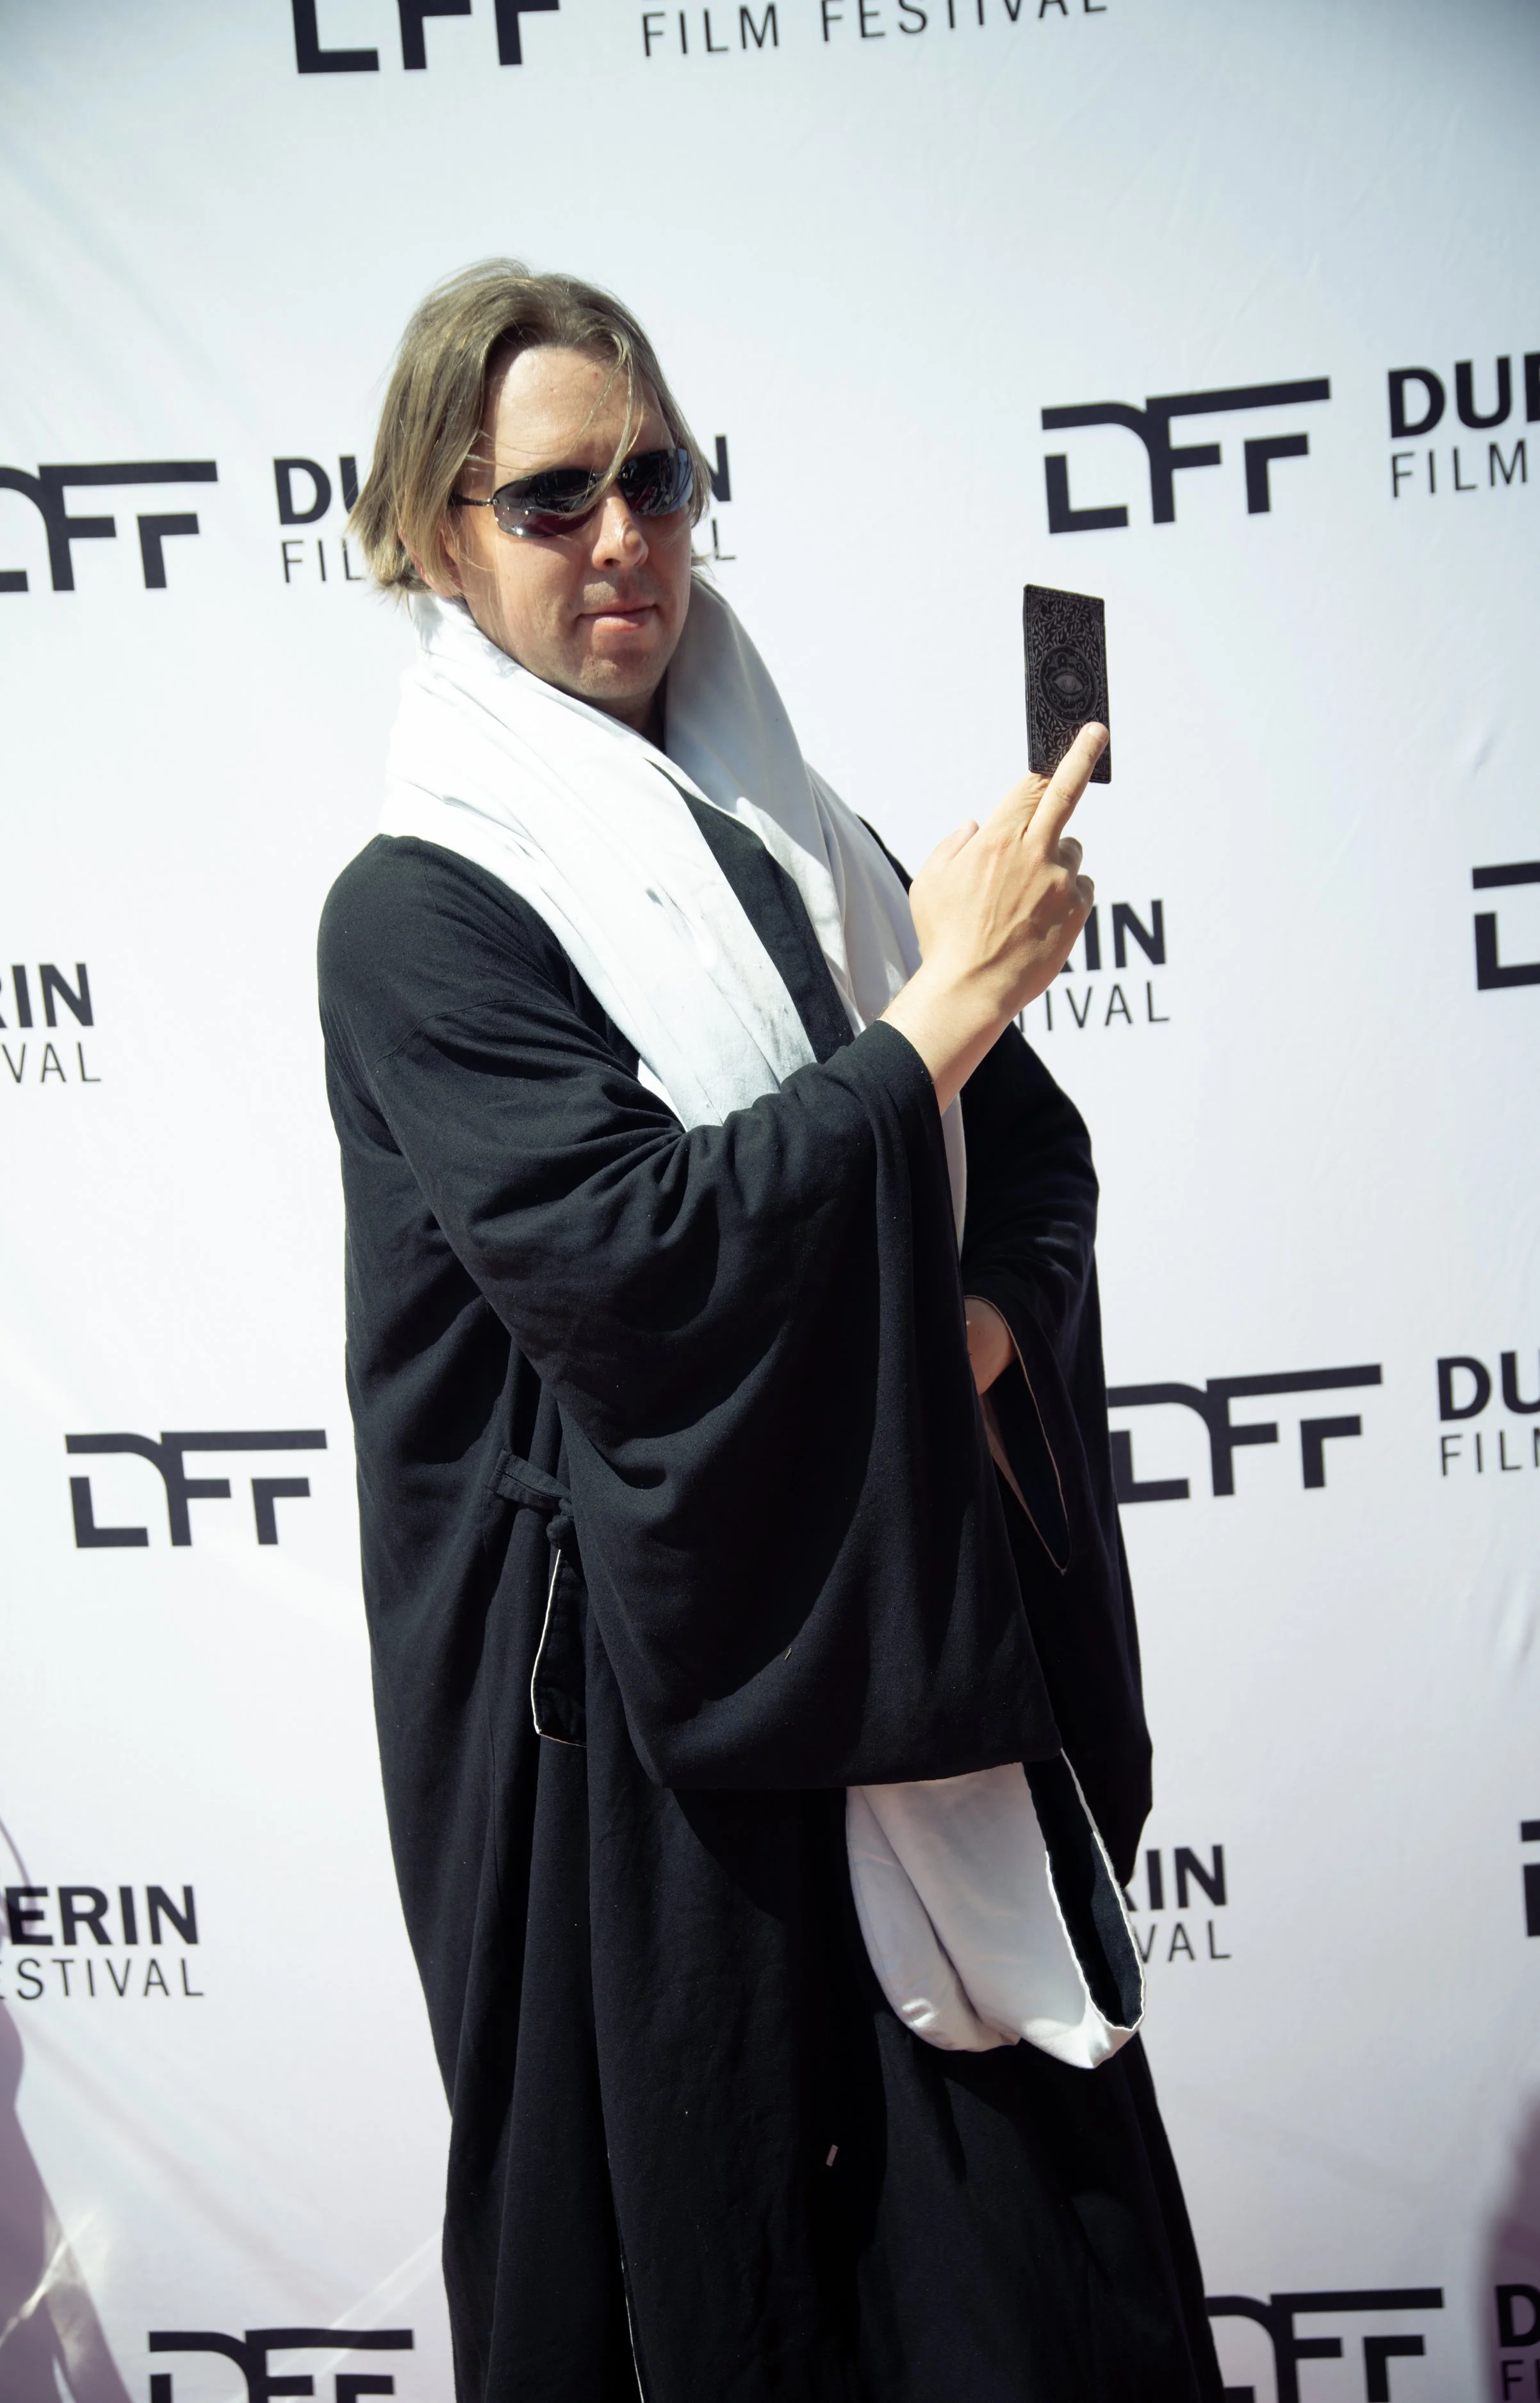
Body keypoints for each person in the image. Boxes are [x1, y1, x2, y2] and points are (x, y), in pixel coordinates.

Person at [318, 261, 1223, 2403]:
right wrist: (942, 1007)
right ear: (439, 529)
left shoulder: (809, 847)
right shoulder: (418, 907)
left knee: (1027, 2298)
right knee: (732, 2294)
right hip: (646, 1764)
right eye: (552, 497)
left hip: (896, 1647)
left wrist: (962, 1343)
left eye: (657, 477)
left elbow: (1034, 1169)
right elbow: (632, 1266)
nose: (622, 535)